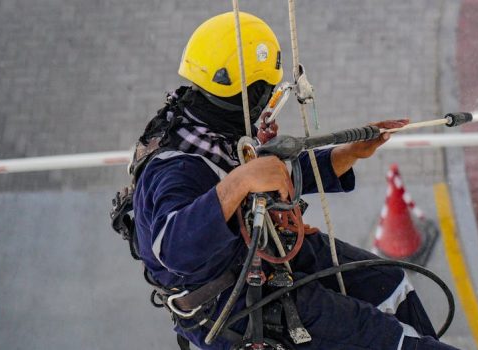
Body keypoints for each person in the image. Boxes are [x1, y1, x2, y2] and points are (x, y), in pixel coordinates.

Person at [132, 11, 459, 350]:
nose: (267, 106)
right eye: (267, 93)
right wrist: (240, 181)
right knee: (383, 339)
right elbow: (173, 248)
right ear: (251, 92)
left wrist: (346, 155)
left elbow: (270, 174)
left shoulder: (209, 128)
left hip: (260, 256)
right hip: (231, 304)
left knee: (389, 284)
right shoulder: (177, 168)